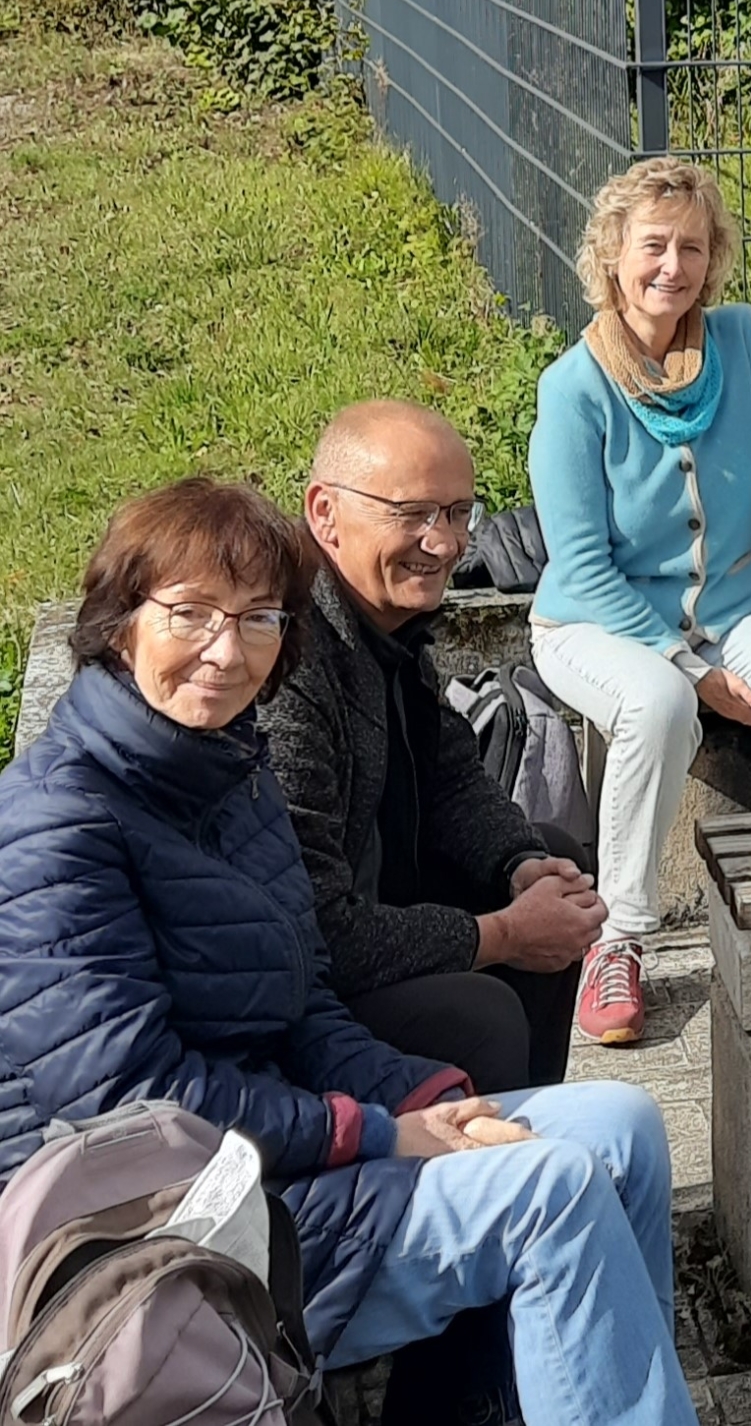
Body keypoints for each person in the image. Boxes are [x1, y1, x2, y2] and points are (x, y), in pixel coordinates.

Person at [0, 480, 694, 1426]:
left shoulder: (234, 780)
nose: (225, 649)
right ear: (119, 625)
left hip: (270, 1155)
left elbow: (308, 1001)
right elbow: (126, 1106)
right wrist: (368, 1132)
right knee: (553, 1188)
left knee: (622, 1125)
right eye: (190, 614)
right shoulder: (55, 825)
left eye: (258, 620)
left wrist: (430, 1101)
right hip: (148, 1222)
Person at [529, 155, 751, 1045]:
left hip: (740, 602)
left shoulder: (741, 340)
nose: (674, 266)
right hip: (596, 620)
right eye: (655, 246)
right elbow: (582, 566)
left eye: (694, 248)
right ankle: (618, 938)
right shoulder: (574, 388)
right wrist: (697, 672)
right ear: (614, 254)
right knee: (661, 701)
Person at [264, 400, 604, 1097]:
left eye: (457, 512)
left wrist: (519, 867)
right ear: (324, 512)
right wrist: (503, 934)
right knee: (482, 1016)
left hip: (377, 909)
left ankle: (530, 1136)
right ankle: (480, 1179)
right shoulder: (284, 664)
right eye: (414, 513)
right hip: (298, 990)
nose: (446, 543)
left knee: (558, 863)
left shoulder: (388, 619)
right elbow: (322, 931)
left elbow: (451, 776)